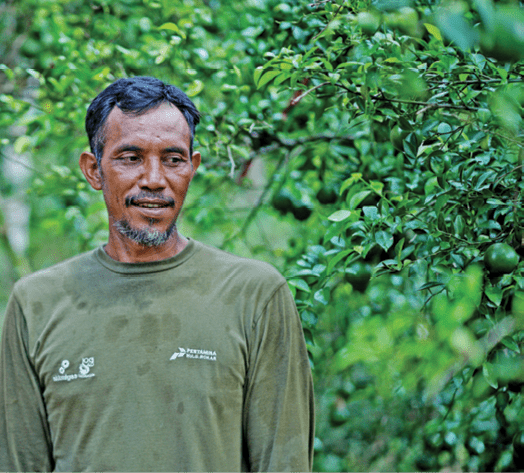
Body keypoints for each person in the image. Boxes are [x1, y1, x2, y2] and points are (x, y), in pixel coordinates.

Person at [0, 76, 314, 472]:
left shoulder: (255, 294)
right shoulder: (37, 303)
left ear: (192, 168)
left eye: (173, 159)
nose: (154, 179)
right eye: (131, 158)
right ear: (93, 170)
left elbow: (285, 463)